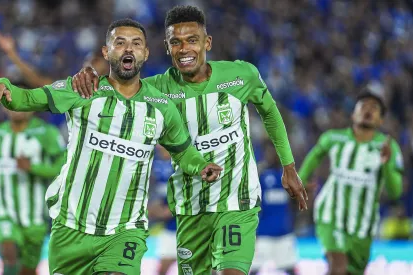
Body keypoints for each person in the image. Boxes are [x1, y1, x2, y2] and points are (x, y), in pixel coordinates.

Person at [71, 5, 307, 275]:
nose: (184, 49)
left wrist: (288, 167)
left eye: (192, 40)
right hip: (189, 208)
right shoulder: (156, 89)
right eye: (176, 42)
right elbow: (113, 90)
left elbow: (270, 113)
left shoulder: (241, 75)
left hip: (237, 202)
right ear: (167, 46)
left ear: (207, 42)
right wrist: (88, 73)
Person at [0, 18, 222, 275]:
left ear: (146, 52)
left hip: (125, 230)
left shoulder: (161, 107)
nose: (129, 49)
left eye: (136, 43)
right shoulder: (83, 91)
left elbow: (183, 151)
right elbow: (29, 97)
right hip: (71, 228)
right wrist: (4, 87)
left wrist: (200, 165)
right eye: (120, 43)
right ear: (106, 52)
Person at [298, 83, 404, 275]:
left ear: (381, 121)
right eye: (363, 106)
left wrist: (387, 164)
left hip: (363, 225)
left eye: (374, 108)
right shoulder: (334, 138)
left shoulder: (389, 147)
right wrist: (302, 180)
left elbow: (395, 191)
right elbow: (315, 156)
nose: (368, 110)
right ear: (353, 115)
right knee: (337, 267)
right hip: (331, 215)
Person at [0, 81, 66, 275]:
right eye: (10, 98)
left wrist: (33, 167)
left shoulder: (46, 133)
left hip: (35, 216)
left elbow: (63, 166)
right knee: (9, 255)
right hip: (3, 211)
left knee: (27, 270)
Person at [0, 28, 109, 88]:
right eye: (88, 61)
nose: (90, 65)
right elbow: (37, 80)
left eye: (95, 60)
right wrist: (12, 54)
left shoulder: (121, 89)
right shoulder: (75, 90)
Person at [250, 141, 298, 275]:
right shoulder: (259, 175)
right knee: (252, 269)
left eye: (276, 152)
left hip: (284, 233)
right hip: (263, 234)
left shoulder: (289, 175)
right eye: (270, 151)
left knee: (290, 269)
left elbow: (294, 203)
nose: (273, 155)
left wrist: (293, 224)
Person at [148, 145, 178, 275]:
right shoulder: (152, 158)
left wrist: (171, 210)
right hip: (169, 225)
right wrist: (153, 206)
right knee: (162, 268)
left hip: (190, 223)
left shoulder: (183, 160)